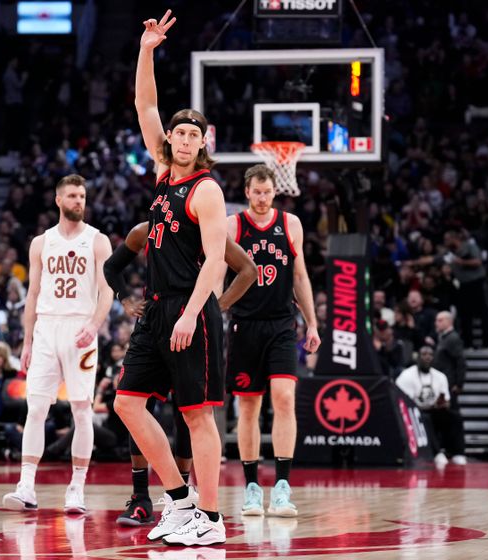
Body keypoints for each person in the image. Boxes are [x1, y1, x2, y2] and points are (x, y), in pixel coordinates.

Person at [113, 9, 229, 547]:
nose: (182, 140)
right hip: (155, 306)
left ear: (203, 141)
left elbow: (215, 261)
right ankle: (180, 499)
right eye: (177, 133)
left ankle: (210, 516)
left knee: (196, 414)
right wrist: (146, 49)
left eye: (191, 134)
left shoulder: (206, 189)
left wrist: (188, 315)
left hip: (190, 308)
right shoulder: (163, 174)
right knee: (127, 403)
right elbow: (145, 104)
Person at [102, 220, 257, 525]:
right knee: (134, 404)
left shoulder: (205, 230)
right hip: (155, 320)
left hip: (192, 322)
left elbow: (248, 271)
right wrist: (126, 300)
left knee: (188, 414)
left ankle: (185, 498)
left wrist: (216, 306)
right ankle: (142, 496)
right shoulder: (145, 230)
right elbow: (111, 267)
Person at [3, 173, 113, 514]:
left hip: (80, 329)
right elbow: (33, 294)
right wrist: (26, 342)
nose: (79, 201)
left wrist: (94, 325)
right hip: (46, 330)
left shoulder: (98, 241)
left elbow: (108, 290)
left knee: (82, 409)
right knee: (36, 408)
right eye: (72, 196)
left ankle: (76, 488)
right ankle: (26, 486)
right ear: (58, 200)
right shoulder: (41, 242)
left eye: (82, 195)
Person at [224, 164, 320, 518]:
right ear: (247, 192)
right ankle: (252, 487)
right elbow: (217, 274)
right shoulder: (233, 226)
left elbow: (299, 275)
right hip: (244, 325)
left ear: (274, 192)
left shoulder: (290, 223)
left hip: (281, 324)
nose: (262, 198)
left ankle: (281, 486)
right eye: (257, 192)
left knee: (283, 398)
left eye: (268, 192)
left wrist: (312, 323)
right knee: (248, 407)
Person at [395, 346, 463, 467]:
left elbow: (446, 401)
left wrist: (442, 403)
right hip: (413, 414)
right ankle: (437, 453)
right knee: (424, 418)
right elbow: (403, 403)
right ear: (417, 357)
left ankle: (458, 453)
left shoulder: (440, 376)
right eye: (424, 354)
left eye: (430, 354)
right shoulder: (406, 376)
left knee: (455, 417)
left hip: (434, 410)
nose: (427, 357)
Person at [432, 311, 467, 465]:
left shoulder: (453, 338)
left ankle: (458, 451)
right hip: (442, 385)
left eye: (440, 320)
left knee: (453, 418)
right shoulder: (443, 338)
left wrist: (459, 383)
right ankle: (447, 449)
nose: (436, 323)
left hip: (449, 386)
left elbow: (460, 362)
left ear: (448, 321)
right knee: (444, 418)